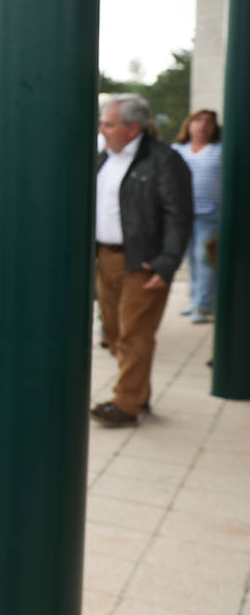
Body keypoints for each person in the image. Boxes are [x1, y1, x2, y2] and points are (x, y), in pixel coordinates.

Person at [91, 95, 193, 426]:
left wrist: (166, 263)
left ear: (132, 128)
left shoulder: (164, 161)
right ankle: (139, 394)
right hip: (105, 258)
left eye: (108, 124)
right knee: (112, 331)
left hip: (143, 263)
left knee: (135, 333)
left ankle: (126, 404)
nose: (101, 130)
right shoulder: (103, 158)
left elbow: (179, 216)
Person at [171, 109, 222, 323]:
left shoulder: (220, 150)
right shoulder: (177, 150)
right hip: (184, 214)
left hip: (210, 213)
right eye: (198, 120)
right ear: (189, 125)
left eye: (208, 122)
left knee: (204, 257)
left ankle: (204, 305)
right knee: (190, 258)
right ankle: (195, 299)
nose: (203, 125)